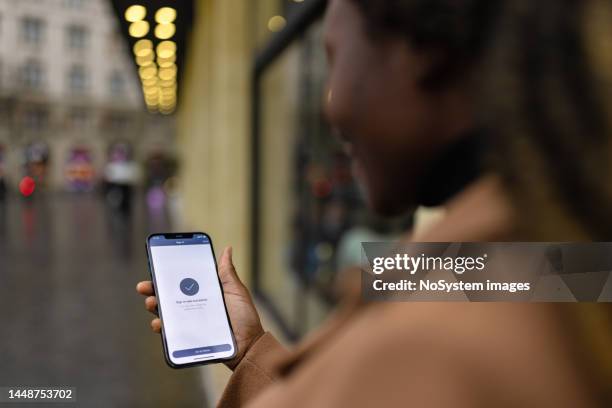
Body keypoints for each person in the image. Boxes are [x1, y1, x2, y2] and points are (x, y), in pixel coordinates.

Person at [137, 0, 612, 406]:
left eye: (335, 55)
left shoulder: (421, 337)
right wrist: (250, 349)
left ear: (420, 52)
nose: (330, 105)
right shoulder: (568, 265)